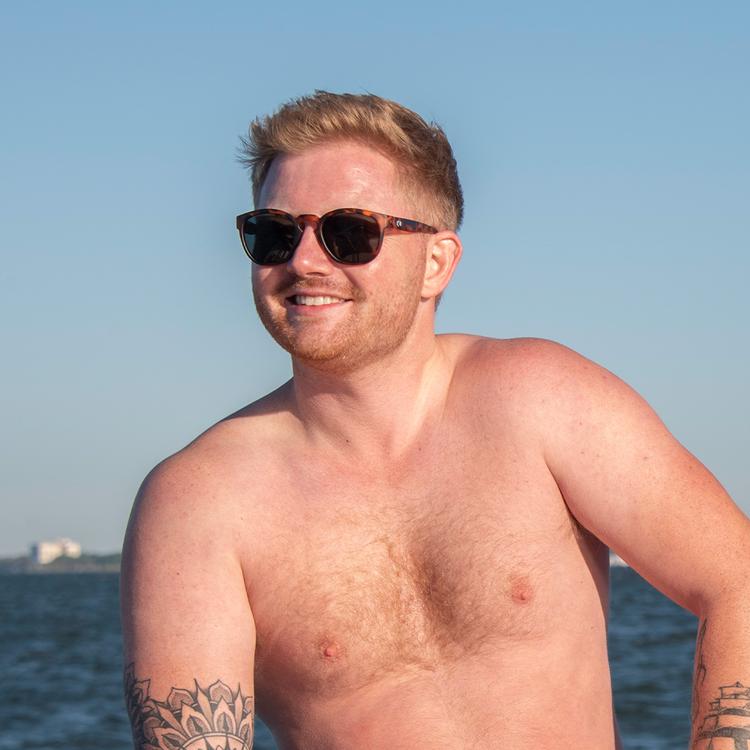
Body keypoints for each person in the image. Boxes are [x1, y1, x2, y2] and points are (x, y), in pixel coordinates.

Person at [121, 91, 750, 750]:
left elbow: (735, 580)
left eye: (349, 233)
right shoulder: (199, 503)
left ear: (436, 263)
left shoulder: (541, 400)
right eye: (274, 233)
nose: (303, 261)